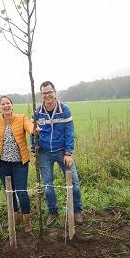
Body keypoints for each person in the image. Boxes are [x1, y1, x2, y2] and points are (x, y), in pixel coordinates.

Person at [33, 81, 83, 225]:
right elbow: (33, 133)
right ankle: (53, 212)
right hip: (44, 153)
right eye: (44, 93)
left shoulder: (64, 110)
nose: (47, 95)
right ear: (41, 95)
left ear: (55, 92)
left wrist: (69, 153)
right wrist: (34, 150)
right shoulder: (38, 112)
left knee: (74, 183)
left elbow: (69, 132)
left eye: (50, 92)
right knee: (48, 186)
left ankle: (77, 211)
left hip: (62, 152)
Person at [0, 95, 34, 233]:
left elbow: (29, 126)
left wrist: (34, 129)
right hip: (2, 165)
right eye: (3, 104)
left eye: (8, 103)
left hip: (20, 163)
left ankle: (27, 221)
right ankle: (14, 218)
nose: (6, 105)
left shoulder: (22, 118)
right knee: (9, 193)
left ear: (12, 105)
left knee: (21, 192)